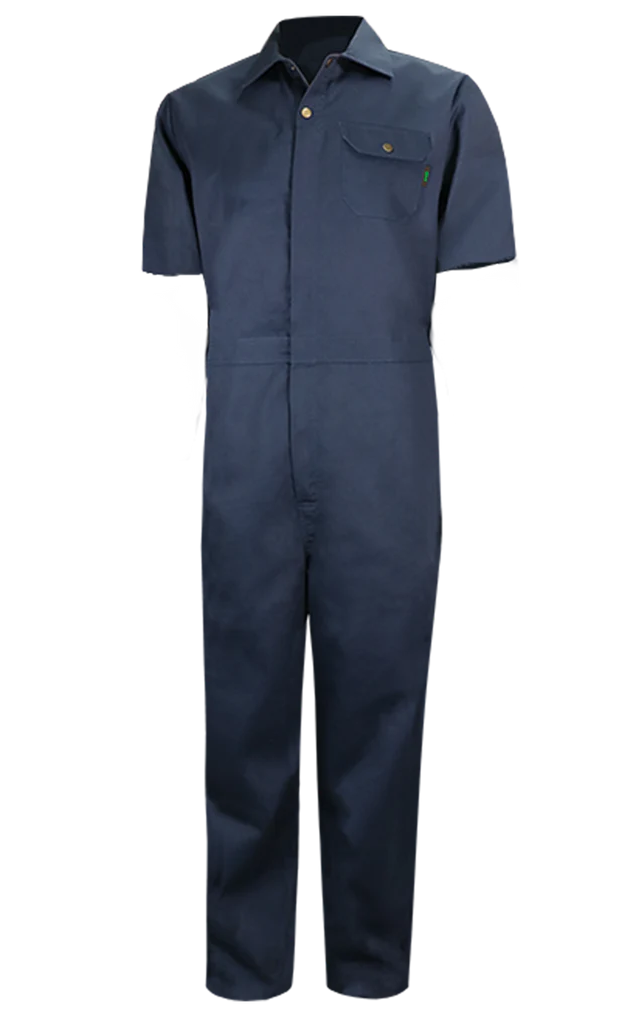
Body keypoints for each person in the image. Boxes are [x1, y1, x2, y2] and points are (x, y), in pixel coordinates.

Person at [141, 9, 517, 1006]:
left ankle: (372, 981)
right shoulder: (192, 115)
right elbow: (175, 301)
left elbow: (472, 298)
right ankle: (242, 982)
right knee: (240, 722)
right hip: (240, 446)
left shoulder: (445, 102)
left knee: (379, 724)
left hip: (381, 447)